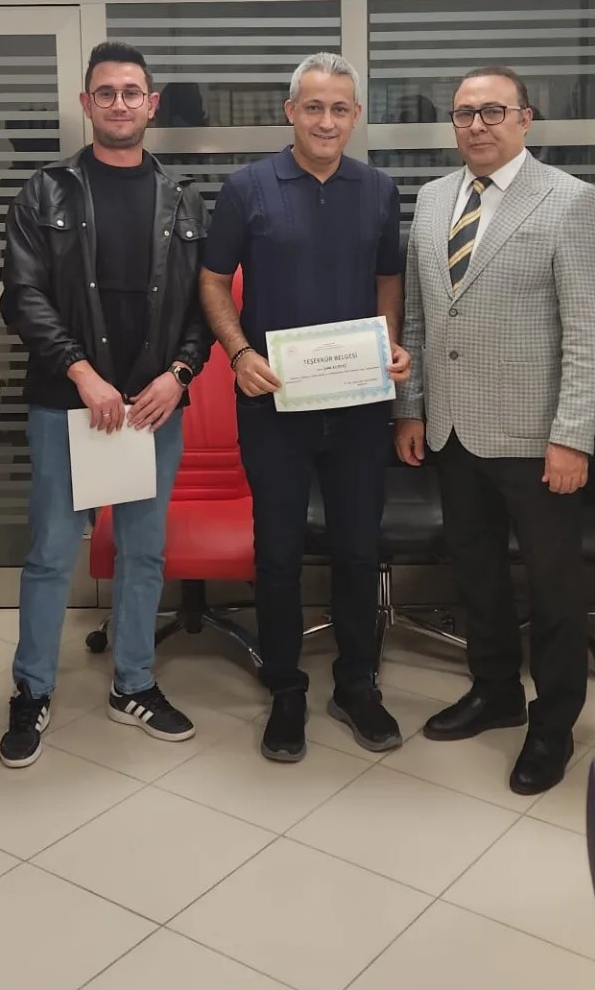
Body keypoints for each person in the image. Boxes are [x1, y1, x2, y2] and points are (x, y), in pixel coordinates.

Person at [394, 66, 595, 795]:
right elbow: (422, 318)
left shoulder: (570, 201)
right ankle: (494, 692)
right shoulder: (433, 200)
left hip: (537, 438)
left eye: (492, 112)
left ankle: (554, 724)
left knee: (553, 587)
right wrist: (412, 408)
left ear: (525, 118)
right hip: (454, 430)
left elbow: (588, 332)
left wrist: (572, 436)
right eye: (464, 114)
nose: (477, 125)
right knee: (476, 573)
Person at [0, 41, 210, 767]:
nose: (120, 103)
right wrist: (81, 372)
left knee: (144, 551)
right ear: (87, 104)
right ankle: (32, 689)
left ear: (152, 105)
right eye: (107, 92)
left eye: (132, 92)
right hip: (68, 404)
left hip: (154, 408)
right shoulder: (45, 192)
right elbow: (22, 295)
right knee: (52, 553)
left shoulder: (183, 197)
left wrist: (180, 374)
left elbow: (203, 305)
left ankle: (134, 683)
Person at [200, 53, 412, 763]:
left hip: (357, 406)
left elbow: (388, 279)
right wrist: (238, 353)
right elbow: (212, 282)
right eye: (313, 107)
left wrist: (389, 342)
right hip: (274, 405)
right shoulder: (247, 188)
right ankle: (285, 688)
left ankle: (357, 684)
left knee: (357, 549)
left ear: (356, 116)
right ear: (290, 112)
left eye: (340, 108)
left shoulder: (378, 190)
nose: (326, 121)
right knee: (279, 552)